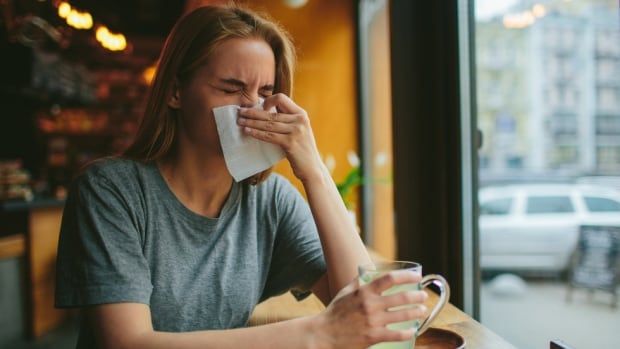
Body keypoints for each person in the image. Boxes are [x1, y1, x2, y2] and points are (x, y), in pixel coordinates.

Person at [55, 4, 428, 349]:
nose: (253, 108)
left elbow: (365, 309)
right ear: (175, 92)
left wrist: (312, 169)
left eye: (265, 92)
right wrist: (318, 332)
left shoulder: (270, 200)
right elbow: (126, 343)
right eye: (232, 89)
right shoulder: (110, 190)